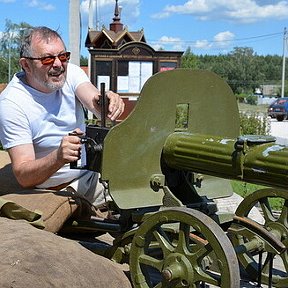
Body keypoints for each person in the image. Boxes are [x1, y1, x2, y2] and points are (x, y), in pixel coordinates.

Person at [0, 26, 125, 208]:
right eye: (47, 59)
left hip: (91, 174)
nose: (58, 64)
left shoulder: (71, 73)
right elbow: (23, 175)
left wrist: (107, 103)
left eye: (63, 56)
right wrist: (58, 157)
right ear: (26, 64)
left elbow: (94, 101)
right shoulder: (12, 104)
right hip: (54, 190)